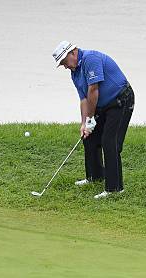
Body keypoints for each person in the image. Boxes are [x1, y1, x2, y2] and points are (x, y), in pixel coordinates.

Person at [52, 40, 134, 200]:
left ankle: (115, 189)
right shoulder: (74, 73)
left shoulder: (91, 59)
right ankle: (95, 176)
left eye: (64, 61)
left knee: (110, 142)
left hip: (121, 101)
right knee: (89, 137)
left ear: (73, 53)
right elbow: (84, 99)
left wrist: (90, 119)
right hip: (102, 105)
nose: (64, 66)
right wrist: (84, 124)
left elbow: (93, 90)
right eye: (61, 64)